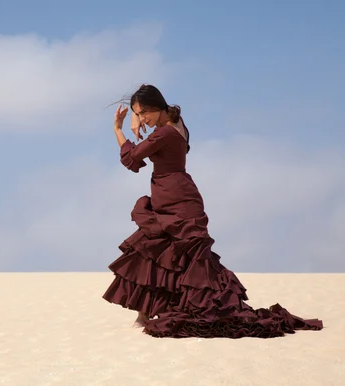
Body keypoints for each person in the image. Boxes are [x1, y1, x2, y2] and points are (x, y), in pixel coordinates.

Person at [102, 84, 323, 338]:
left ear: (156, 107)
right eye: (139, 115)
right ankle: (142, 315)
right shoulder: (177, 123)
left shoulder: (163, 134)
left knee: (185, 258)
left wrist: (118, 130)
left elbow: (132, 160)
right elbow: (152, 124)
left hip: (177, 200)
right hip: (172, 195)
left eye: (144, 113)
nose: (142, 120)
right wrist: (135, 116)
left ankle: (155, 314)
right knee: (156, 250)